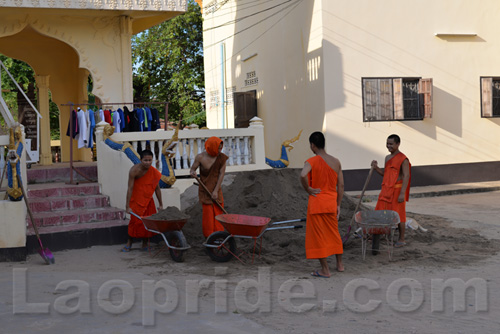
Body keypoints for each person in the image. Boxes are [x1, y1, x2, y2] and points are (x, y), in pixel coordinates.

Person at [300, 131, 344, 278]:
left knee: (319, 236)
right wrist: (338, 205)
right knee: (334, 233)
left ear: (313, 145)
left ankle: (325, 270)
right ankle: (340, 264)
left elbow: (302, 175)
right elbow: (341, 186)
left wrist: (308, 189)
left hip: (317, 202)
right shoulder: (336, 161)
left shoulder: (311, 161)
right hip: (331, 202)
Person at [371, 134, 411, 248]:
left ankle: (401, 239)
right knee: (380, 211)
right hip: (386, 190)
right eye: (387, 143)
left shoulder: (403, 159)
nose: (388, 146)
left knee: (399, 215)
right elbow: (385, 174)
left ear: (398, 144)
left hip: (397, 191)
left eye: (391, 144)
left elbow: (406, 176)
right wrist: (376, 168)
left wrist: (402, 193)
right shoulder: (387, 158)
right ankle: (378, 235)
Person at [122, 149, 163, 252]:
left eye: (150, 160)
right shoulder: (134, 170)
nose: (148, 163)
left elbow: (157, 188)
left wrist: (161, 204)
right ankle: (129, 242)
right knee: (135, 222)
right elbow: (130, 188)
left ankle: (145, 244)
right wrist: (127, 206)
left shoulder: (153, 172)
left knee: (147, 222)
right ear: (141, 160)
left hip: (148, 200)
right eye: (145, 160)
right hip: (136, 200)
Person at [190, 136, 228, 238]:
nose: (220, 151)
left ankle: (220, 237)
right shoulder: (200, 157)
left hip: (217, 189)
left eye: (221, 148)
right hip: (205, 189)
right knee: (208, 215)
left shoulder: (222, 158)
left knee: (218, 213)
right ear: (211, 147)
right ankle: (209, 238)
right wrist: (193, 173)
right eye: (218, 148)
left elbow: (221, 175)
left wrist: (215, 191)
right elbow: (192, 169)